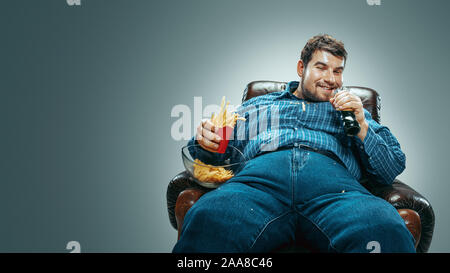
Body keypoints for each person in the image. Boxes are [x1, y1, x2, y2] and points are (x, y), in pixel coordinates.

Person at [172, 34, 416, 253]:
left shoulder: (353, 112)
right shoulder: (257, 106)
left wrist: (362, 127)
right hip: (257, 185)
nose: (331, 79)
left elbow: (391, 167)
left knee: (385, 229)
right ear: (302, 68)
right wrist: (205, 142)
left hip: (335, 192)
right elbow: (209, 156)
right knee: (208, 218)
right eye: (321, 68)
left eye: (338, 71)